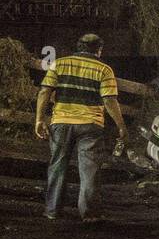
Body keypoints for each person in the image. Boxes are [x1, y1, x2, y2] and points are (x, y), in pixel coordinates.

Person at [35, 33, 127, 222]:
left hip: (61, 122)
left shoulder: (59, 63)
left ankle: (52, 210)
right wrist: (121, 126)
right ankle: (89, 213)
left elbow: (45, 91)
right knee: (89, 169)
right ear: (99, 50)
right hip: (91, 124)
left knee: (57, 165)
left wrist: (39, 119)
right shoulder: (104, 69)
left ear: (79, 47)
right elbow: (109, 100)